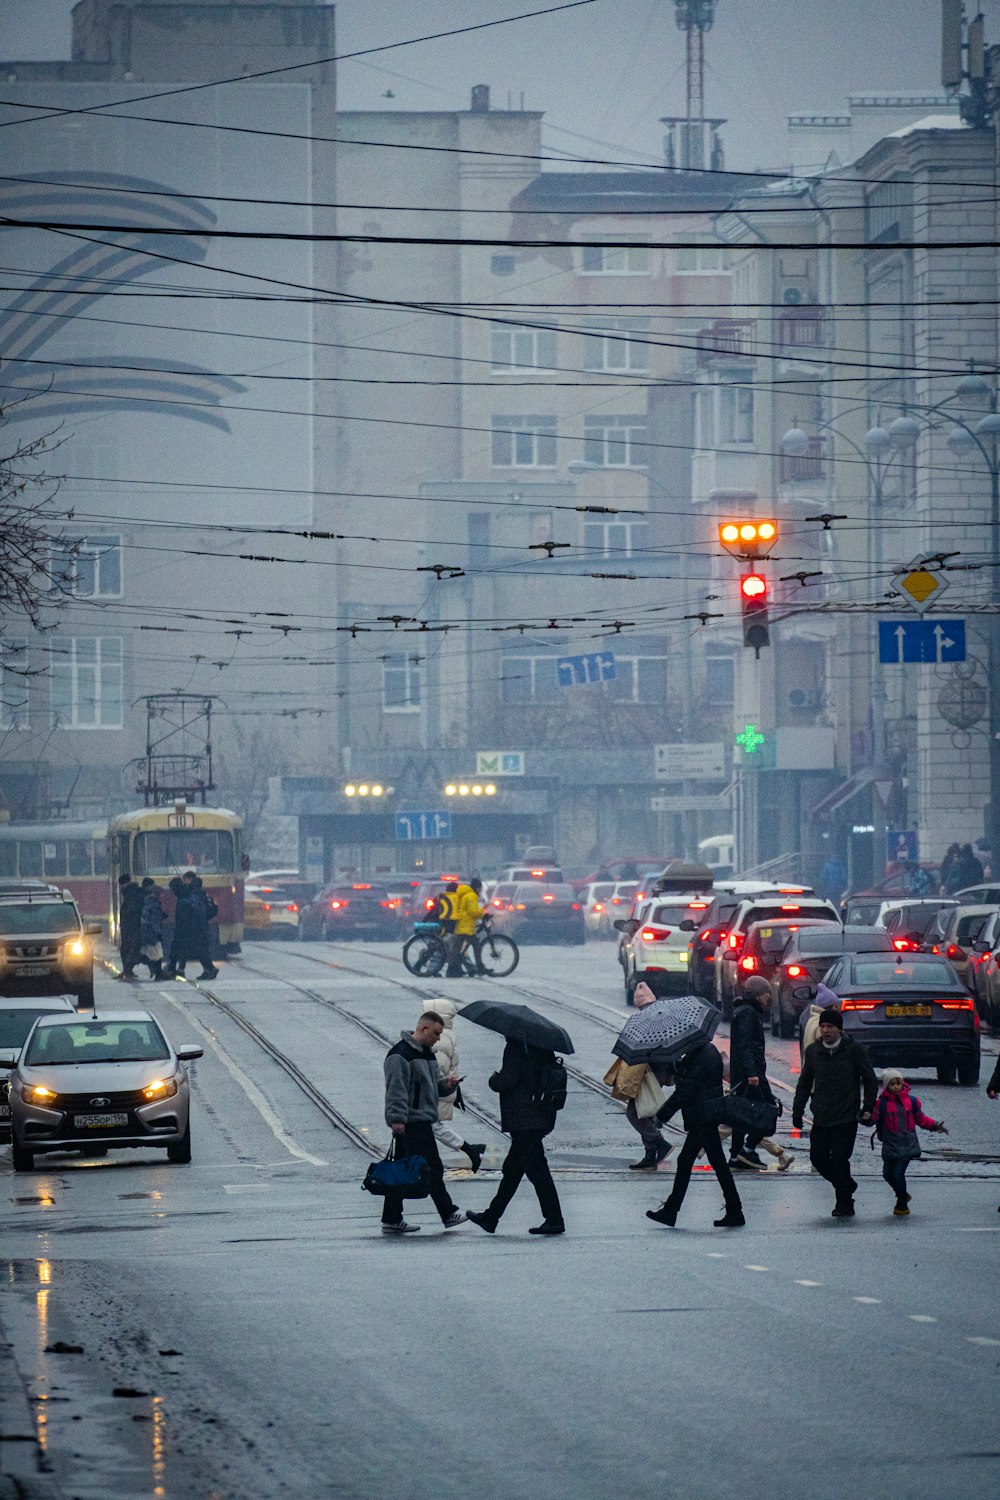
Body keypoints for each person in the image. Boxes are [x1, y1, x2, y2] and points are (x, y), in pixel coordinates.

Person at [381, 1011, 467, 1236]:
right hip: (410, 1122)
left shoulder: (427, 1054)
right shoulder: (400, 1054)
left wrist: (447, 1084)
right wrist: (397, 1120)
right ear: (425, 1029)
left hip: (422, 1120)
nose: (438, 1038)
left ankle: (391, 1218)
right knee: (430, 1168)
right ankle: (448, 1213)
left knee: (403, 1170)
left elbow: (431, 1086)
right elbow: (396, 1090)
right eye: (437, 1033)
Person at [467, 1039, 565, 1236]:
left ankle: (554, 1219)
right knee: (512, 1170)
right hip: (539, 1114)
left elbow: (507, 1080)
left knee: (537, 1170)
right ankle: (491, 1217)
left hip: (524, 1119)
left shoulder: (516, 1047)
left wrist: (494, 1079)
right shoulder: (542, 1045)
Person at [646, 1039, 745, 1229]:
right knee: (702, 1163)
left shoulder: (700, 1056)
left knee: (704, 1163)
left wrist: (663, 1114)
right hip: (705, 1115)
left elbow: (686, 1091)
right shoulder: (703, 1052)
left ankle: (672, 1211)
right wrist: (680, 1065)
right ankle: (733, 1210)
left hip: (702, 1116)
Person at [792, 1006, 877, 1219]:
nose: (825, 1030)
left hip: (846, 1116)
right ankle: (847, 1185)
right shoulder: (814, 1051)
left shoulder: (854, 1050)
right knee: (818, 1158)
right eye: (822, 1026)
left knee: (840, 1160)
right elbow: (804, 1083)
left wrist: (868, 1107)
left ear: (839, 1028)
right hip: (821, 1115)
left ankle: (844, 1203)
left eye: (829, 1026)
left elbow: (869, 1079)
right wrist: (797, 1110)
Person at [728, 975, 791, 1171]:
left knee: (741, 1114)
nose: (769, 999)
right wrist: (751, 1073)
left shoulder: (743, 1010)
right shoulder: (748, 1013)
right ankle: (746, 1149)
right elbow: (746, 1045)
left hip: (744, 1072)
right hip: (751, 1073)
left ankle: (737, 1154)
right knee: (768, 1110)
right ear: (756, 994)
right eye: (766, 995)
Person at [610, 980, 674, 1170]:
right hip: (659, 1071)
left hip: (652, 1072)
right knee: (644, 1110)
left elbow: (653, 1050)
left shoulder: (648, 1023)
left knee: (634, 1112)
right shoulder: (662, 1018)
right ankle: (650, 1154)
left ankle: (659, 1143)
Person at [422, 997, 486, 1173]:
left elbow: (438, 1067)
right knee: (432, 1127)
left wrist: (437, 1087)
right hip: (437, 1089)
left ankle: (468, 1150)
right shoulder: (444, 1035)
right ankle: (469, 1150)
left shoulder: (439, 1039)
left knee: (433, 1126)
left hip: (433, 1091)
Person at [870, 1067, 946, 1216]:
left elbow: (921, 1119)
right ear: (887, 1086)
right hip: (890, 1145)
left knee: (898, 1174)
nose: (897, 1087)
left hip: (907, 1145)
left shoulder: (911, 1101)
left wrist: (935, 1125)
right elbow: (872, 1119)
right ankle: (902, 1194)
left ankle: (902, 1204)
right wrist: (864, 1116)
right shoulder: (882, 1104)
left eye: (899, 1083)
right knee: (887, 1174)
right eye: (893, 1084)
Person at [165, 871, 219, 980]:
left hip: (191, 928)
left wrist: (194, 923)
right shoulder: (200, 893)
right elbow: (210, 910)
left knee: (195, 949)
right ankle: (178, 969)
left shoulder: (190, 895)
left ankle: (208, 968)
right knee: (191, 949)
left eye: (185, 880)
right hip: (197, 927)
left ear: (189, 879)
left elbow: (190, 911)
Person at [445, 877, 486, 977]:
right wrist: (483, 911)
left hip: (461, 925)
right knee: (477, 946)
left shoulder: (466, 895)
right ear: (477, 888)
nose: (481, 890)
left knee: (457, 949)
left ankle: (451, 970)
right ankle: (480, 967)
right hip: (466, 927)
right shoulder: (471, 896)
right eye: (480, 888)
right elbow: (473, 912)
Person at [117, 874, 144, 979]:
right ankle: (127, 970)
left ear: (123, 884)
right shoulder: (133, 891)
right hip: (131, 926)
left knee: (128, 948)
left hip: (130, 926)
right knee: (129, 948)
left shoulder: (130, 893)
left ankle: (127, 970)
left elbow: (131, 910)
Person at [138, 878, 165, 981]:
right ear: (157, 894)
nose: (162, 896)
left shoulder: (148, 902)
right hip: (152, 933)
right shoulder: (154, 904)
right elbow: (154, 921)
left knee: (155, 954)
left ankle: (157, 972)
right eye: (161, 894)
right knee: (157, 954)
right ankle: (158, 973)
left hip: (148, 932)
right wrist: (157, 933)